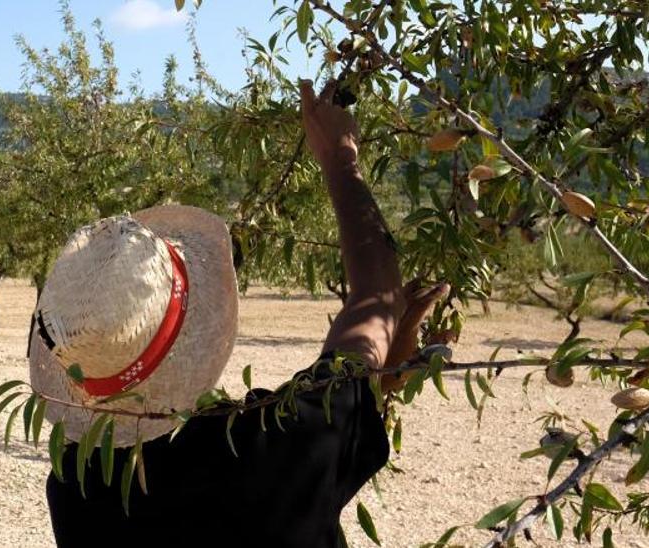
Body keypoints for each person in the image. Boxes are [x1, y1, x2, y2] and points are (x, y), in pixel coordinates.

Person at [27, 79, 448, 546]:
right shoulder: (271, 450)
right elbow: (378, 294)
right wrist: (340, 159)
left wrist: (375, 377)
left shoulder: (75, 483)